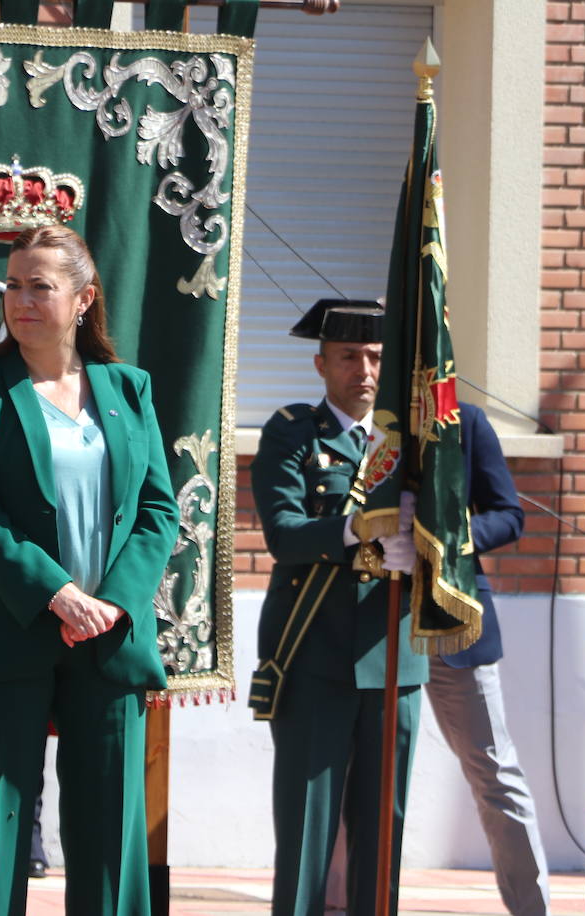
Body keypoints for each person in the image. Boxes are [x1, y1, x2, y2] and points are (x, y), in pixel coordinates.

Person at [0, 224, 178, 915]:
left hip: (108, 636)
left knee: (110, 842)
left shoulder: (128, 389)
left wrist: (112, 603)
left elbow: (157, 509)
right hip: (6, 631)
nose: (21, 300)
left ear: (83, 299)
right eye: (13, 285)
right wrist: (59, 594)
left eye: (40, 286)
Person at [249, 299, 423, 916]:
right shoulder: (292, 430)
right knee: (305, 830)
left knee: (383, 833)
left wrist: (423, 553)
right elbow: (284, 535)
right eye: (350, 356)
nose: (365, 370)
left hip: (393, 659)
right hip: (313, 654)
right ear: (322, 364)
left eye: (377, 357)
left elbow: (467, 523)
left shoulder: (414, 442)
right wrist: (358, 530)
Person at [425, 401, 550, 916]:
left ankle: (532, 909)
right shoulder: (368, 418)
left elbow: (509, 515)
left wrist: (450, 537)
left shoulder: (465, 421)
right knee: (358, 772)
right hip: (373, 626)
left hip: (455, 624)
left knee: (494, 771)